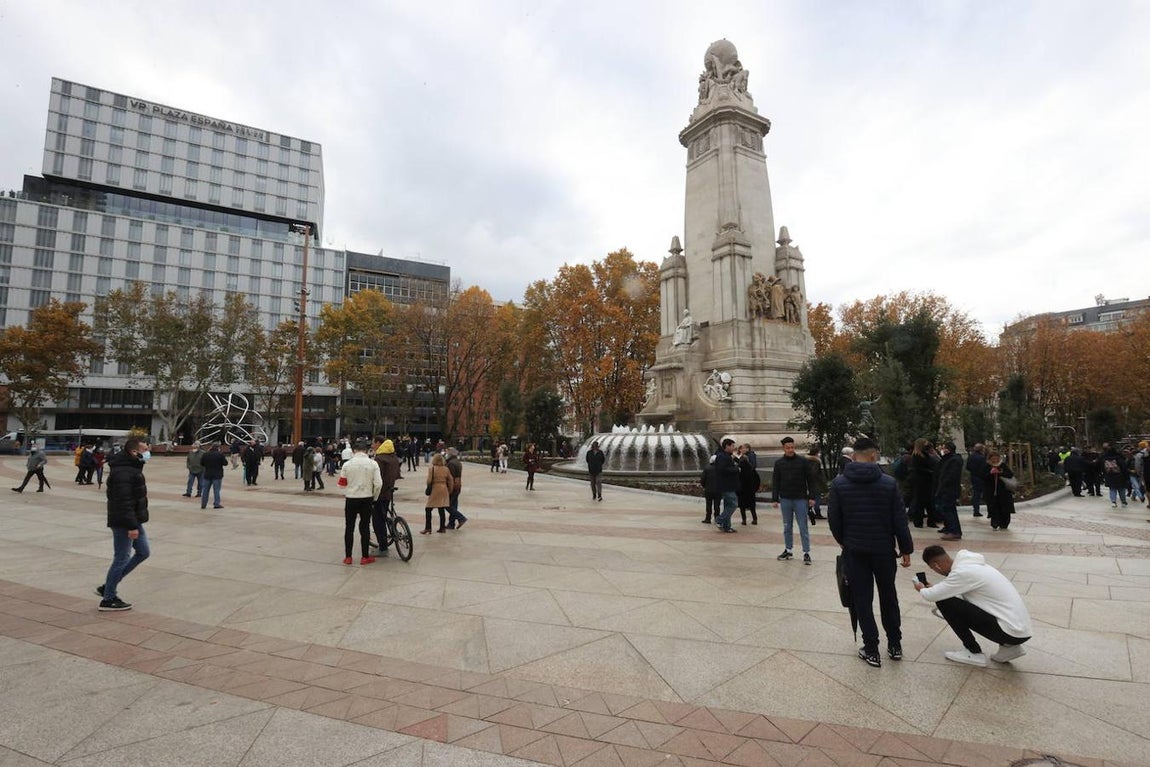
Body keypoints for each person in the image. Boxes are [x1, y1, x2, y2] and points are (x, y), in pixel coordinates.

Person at [828, 436, 915, 668]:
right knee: (889, 596)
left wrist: (844, 542)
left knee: (862, 599)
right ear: (874, 455)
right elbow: (900, 519)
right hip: (884, 550)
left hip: (855, 551)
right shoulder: (888, 483)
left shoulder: (839, 484)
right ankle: (895, 645)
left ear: (854, 456)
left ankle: (872, 649)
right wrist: (905, 548)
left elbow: (834, 520)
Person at [915, 545, 1032, 667]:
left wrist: (921, 589)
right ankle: (1010, 648)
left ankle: (973, 651)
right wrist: (936, 589)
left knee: (944, 602)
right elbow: (957, 592)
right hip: (1020, 631)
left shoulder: (961, 573)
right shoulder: (972, 566)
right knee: (948, 598)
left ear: (936, 565)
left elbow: (931, 596)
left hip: (1010, 632)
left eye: (934, 569)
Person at [98, 438, 152, 611]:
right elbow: (123, 501)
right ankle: (108, 598)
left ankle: (108, 585)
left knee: (143, 552)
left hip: (133, 519)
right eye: (144, 449)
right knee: (121, 557)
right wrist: (131, 526)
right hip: (125, 521)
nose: (147, 451)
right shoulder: (124, 472)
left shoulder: (132, 467)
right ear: (134, 452)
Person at [772, 437, 818, 563]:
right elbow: (775, 481)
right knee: (787, 526)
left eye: (792, 447)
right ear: (784, 448)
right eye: (788, 448)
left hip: (800, 499)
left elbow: (810, 480)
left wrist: (812, 496)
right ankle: (788, 549)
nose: (790, 450)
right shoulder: (779, 463)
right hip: (785, 499)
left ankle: (806, 552)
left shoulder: (803, 461)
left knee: (803, 526)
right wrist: (774, 498)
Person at [339, 439, 383, 565]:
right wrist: (374, 497)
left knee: (349, 527)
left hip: (351, 498)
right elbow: (378, 484)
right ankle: (365, 557)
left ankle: (348, 557)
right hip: (367, 498)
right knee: (365, 527)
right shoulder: (373, 464)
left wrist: (349, 489)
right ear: (366, 450)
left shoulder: (347, 465)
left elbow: (342, 485)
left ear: (353, 451)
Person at [372, 437, 403, 554]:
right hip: (389, 491)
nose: (372, 445)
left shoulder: (379, 459)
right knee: (384, 514)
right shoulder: (393, 457)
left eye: (374, 443)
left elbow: (377, 478)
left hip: (380, 493)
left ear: (379, 443)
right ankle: (392, 525)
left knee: (377, 520)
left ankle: (383, 547)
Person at [933, 442, 964, 541]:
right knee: (949, 509)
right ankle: (952, 529)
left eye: (944, 448)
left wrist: (943, 485)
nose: (942, 450)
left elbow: (950, 476)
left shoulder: (954, 460)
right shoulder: (948, 459)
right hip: (946, 489)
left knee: (948, 509)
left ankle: (954, 531)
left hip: (949, 489)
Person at [907, 438, 939, 528]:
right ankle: (919, 521)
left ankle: (931, 521)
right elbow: (918, 469)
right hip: (921, 482)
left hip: (927, 481)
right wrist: (930, 472)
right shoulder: (917, 456)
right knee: (920, 502)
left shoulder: (925, 454)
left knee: (929, 502)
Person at [714, 438, 741, 533]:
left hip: (729, 484)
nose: (734, 448)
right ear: (727, 446)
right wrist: (736, 469)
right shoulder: (722, 456)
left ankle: (727, 526)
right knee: (733, 504)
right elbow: (722, 470)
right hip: (726, 485)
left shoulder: (726, 456)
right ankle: (719, 520)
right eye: (732, 446)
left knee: (728, 505)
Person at [984, 451, 1015, 529]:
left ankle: (1004, 523)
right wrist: (990, 473)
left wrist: (1000, 473)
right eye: (993, 459)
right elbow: (983, 476)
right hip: (991, 492)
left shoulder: (1003, 465)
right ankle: (995, 522)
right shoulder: (987, 466)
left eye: (996, 458)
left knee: (1004, 508)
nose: (995, 460)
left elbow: (1010, 474)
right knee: (994, 507)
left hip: (1004, 492)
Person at [423, 453, 452, 534]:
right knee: (441, 508)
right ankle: (442, 527)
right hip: (444, 489)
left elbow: (429, 481)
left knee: (428, 509)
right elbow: (450, 480)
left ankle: (428, 528)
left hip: (435, 489)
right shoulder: (446, 469)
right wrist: (449, 489)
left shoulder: (432, 469)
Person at [199, 442, 228, 509]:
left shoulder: (205, 454)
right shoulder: (220, 454)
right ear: (218, 448)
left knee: (205, 490)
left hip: (207, 474)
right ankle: (216, 504)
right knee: (216, 490)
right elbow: (225, 463)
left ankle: (203, 504)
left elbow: (202, 463)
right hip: (217, 475)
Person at [445, 446, 468, 529]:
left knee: (447, 505)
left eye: (447, 452)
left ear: (450, 454)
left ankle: (461, 518)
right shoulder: (457, 462)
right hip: (458, 485)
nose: (446, 454)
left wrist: (449, 488)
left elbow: (450, 478)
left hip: (453, 486)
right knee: (453, 504)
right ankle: (451, 523)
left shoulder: (450, 463)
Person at [737, 444, 760, 525]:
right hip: (750, 489)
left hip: (743, 489)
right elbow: (757, 480)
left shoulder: (740, 471)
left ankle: (744, 520)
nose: (741, 450)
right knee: (751, 505)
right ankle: (754, 519)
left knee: (743, 505)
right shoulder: (751, 472)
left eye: (743, 448)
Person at [1100, 443, 1129, 508]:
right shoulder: (1118, 458)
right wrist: (1126, 476)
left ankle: (1113, 502)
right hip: (1120, 476)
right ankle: (1123, 502)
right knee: (1121, 489)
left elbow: (1102, 468)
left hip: (1109, 476)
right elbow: (1124, 468)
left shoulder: (1105, 458)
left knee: (1112, 489)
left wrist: (1104, 475)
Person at [965, 443, 987, 517]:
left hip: (973, 476)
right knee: (984, 493)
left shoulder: (971, 456)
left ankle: (976, 510)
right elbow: (984, 469)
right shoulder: (982, 458)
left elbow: (967, 467)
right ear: (981, 449)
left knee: (976, 494)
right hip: (981, 478)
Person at [806, 446, 827, 522]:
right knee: (817, 497)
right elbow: (814, 473)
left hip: (808, 482)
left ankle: (809, 511)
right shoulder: (816, 461)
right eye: (819, 452)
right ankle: (817, 513)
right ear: (816, 453)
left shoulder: (806, 460)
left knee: (811, 498)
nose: (820, 454)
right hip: (816, 483)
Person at [700, 454, 720, 524]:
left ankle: (708, 518)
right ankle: (717, 518)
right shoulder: (720, 468)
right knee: (717, 505)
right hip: (718, 490)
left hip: (708, 490)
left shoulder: (707, 468)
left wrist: (705, 486)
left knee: (708, 505)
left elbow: (702, 479)